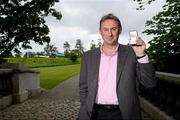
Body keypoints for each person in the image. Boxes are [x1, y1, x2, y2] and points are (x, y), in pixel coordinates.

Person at [78, 13, 156, 120]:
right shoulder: (88, 56)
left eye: (113, 29)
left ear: (119, 30)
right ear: (100, 32)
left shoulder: (132, 53)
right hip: (94, 114)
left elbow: (149, 83)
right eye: (105, 29)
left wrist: (141, 55)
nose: (109, 34)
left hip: (123, 114)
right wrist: (85, 105)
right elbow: (83, 87)